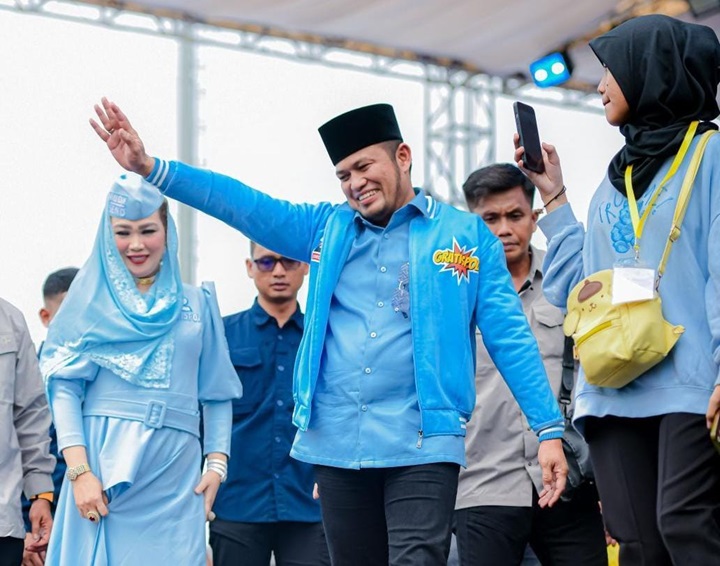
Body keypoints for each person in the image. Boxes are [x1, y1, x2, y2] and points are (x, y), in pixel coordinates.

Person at [90, 99, 568, 566]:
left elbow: (510, 338)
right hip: (339, 441)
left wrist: (547, 428)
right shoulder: (325, 228)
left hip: (425, 439)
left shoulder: (465, 236)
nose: (356, 184)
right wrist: (152, 167)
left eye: (364, 166)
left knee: (418, 558)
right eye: (344, 175)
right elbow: (243, 204)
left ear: (402, 157)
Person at [513, 14, 720, 566]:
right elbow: (580, 285)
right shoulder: (614, 176)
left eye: (612, 71)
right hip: (612, 387)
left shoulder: (712, 157)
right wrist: (554, 197)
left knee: (685, 523)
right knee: (634, 540)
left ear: (651, 71)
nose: (601, 84)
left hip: (691, 381)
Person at [40, 175, 242, 565]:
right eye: (123, 232)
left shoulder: (198, 303)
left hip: (175, 473)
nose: (135, 244)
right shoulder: (89, 302)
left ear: (166, 232)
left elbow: (217, 393)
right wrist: (80, 472)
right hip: (102, 465)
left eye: (147, 230)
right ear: (107, 235)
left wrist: (217, 464)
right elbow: (64, 388)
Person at [455, 163, 606, 566]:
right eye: (490, 218)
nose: (503, 229)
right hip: (483, 482)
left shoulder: (567, 281)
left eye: (515, 215)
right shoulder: (452, 293)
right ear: (471, 221)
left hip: (567, 479)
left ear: (534, 218)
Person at [210, 242, 329, 566]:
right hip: (237, 501)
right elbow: (201, 416)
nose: (278, 271)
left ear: (306, 266)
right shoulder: (220, 335)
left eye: (288, 261)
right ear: (250, 267)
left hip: (310, 502)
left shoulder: (326, 337)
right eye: (266, 262)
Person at [21, 267, 78, 566]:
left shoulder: (109, 381)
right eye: (69, 312)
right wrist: (20, 535)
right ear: (46, 317)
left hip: (90, 527)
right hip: (31, 536)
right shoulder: (20, 377)